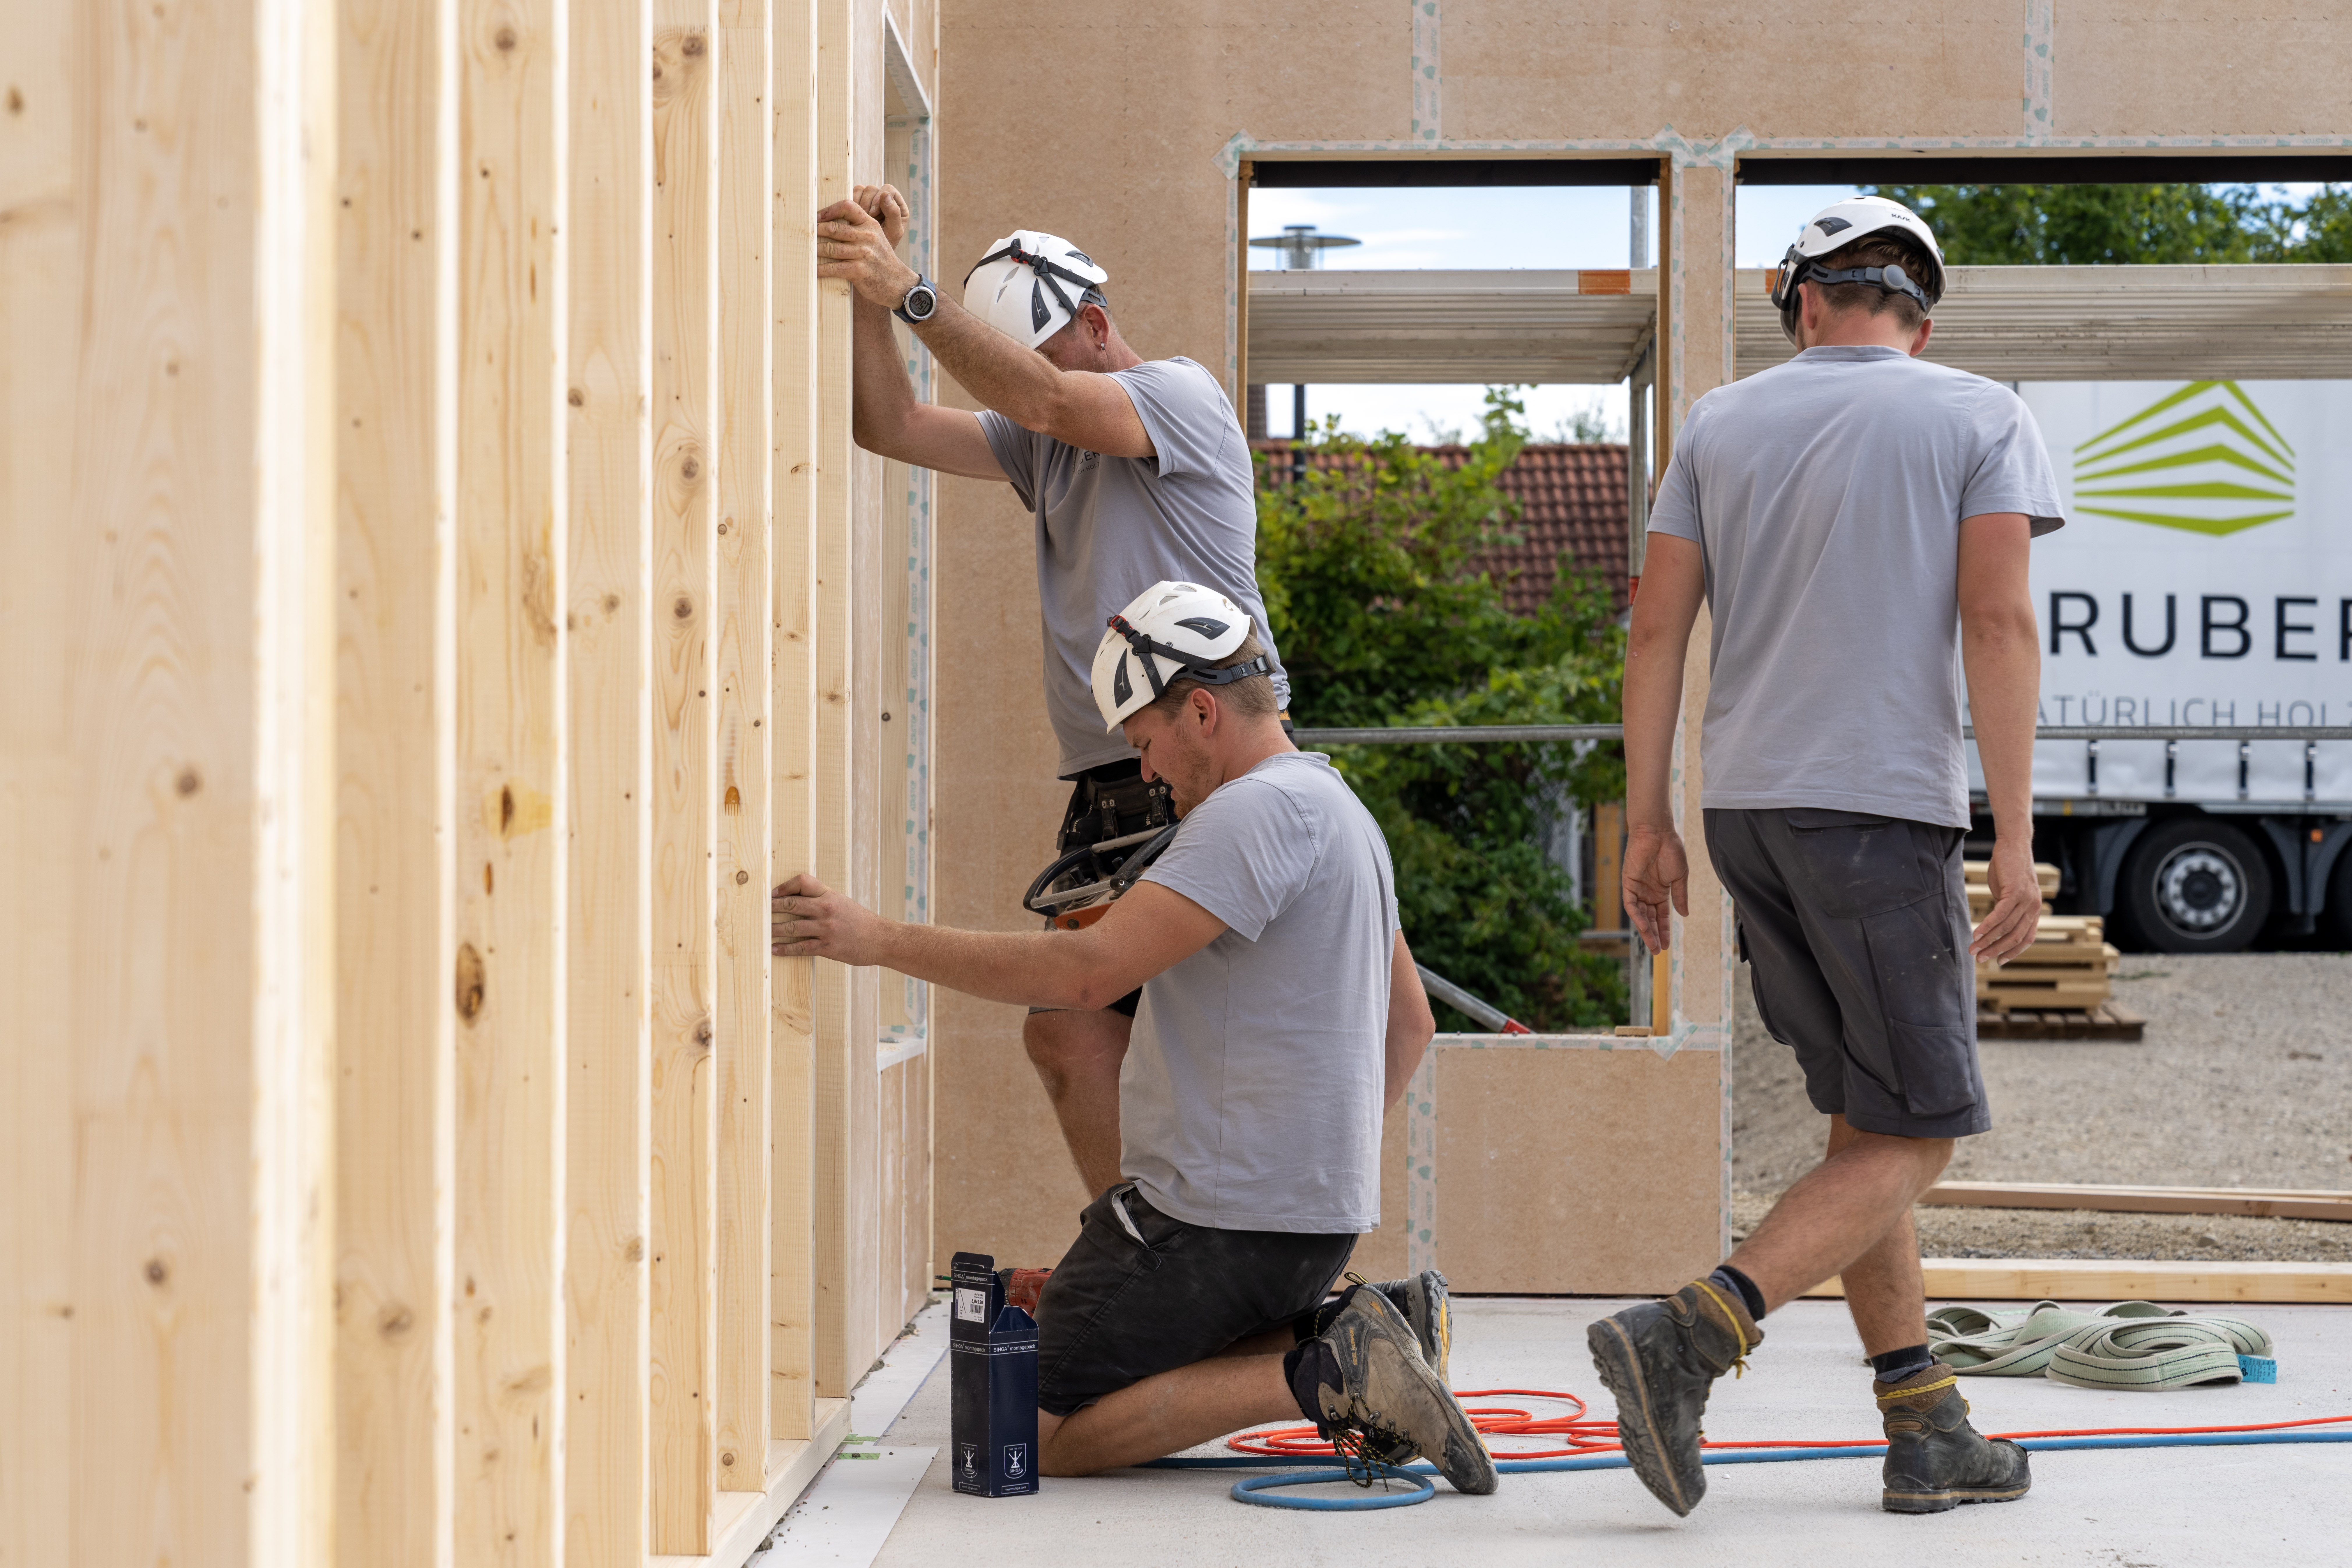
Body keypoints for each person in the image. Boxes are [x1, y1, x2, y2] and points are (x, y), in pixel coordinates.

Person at [771, 582, 1490, 1491]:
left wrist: (873, 941)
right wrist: (1307, 1169)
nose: (1147, 773)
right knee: (1104, 1345)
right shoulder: (1344, 814)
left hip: (1211, 1222)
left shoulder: (1248, 814)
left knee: (1015, 1428)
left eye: (1146, 743)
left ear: (1200, 710)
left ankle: (1326, 1369)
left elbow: (1086, 977)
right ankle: (1374, 1327)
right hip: (1315, 1227)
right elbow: (1411, 1024)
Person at [1592, 195, 2060, 1518]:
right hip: (1878, 809)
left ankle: (1925, 1420)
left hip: (1751, 814)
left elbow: (1655, 633)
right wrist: (2017, 833)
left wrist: (1649, 822)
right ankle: (1691, 1331)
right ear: (1924, 307)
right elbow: (1998, 618)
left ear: (1803, 299)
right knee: (1922, 1137)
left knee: (1869, 1121)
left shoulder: (1722, 421)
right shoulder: (1977, 413)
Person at [817, 188, 1288, 1200]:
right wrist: (871, 289)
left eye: (1041, 348)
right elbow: (887, 424)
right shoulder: (1045, 441)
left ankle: (1234, 1266)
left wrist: (911, 293)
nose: (1026, 372)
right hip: (1117, 788)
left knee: (1216, 1044)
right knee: (1069, 1036)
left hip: (1212, 766)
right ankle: (1140, 1256)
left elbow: (1045, 398)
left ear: (1097, 322)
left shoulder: (1177, 397)